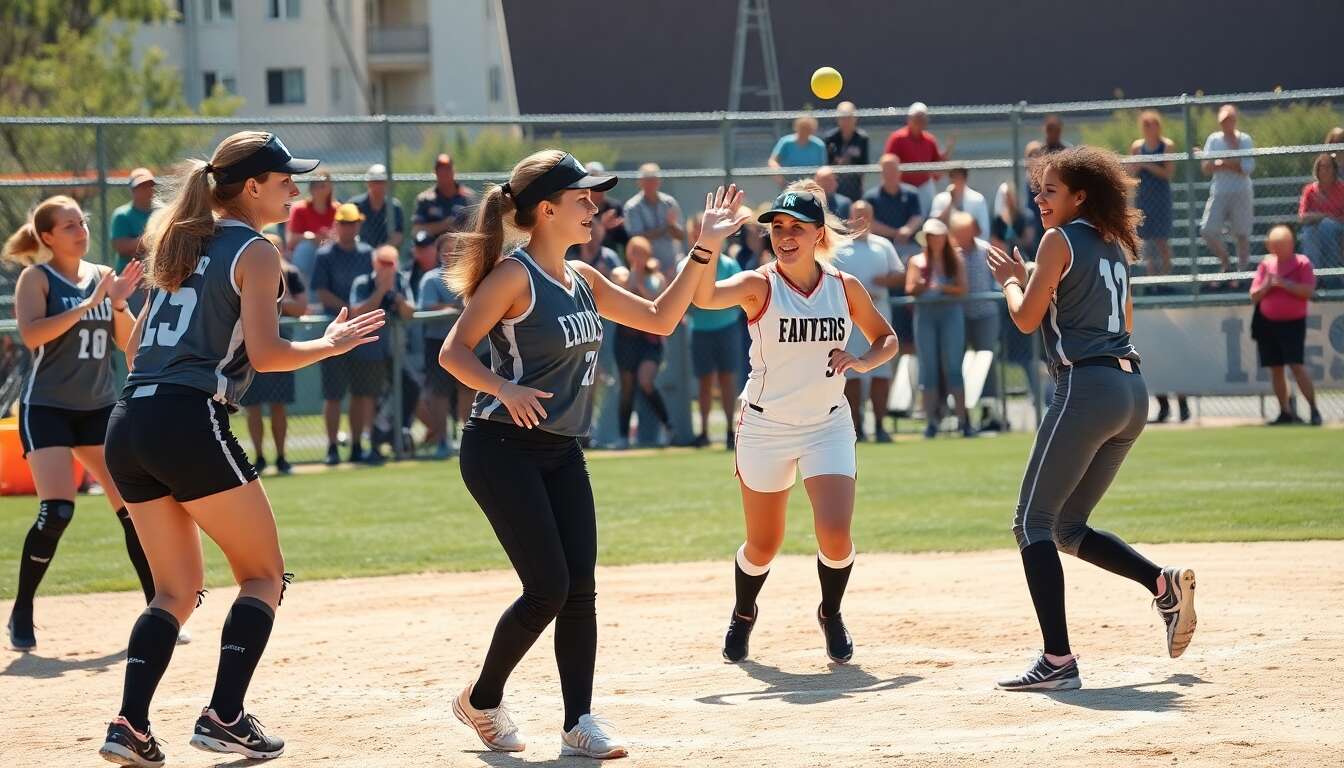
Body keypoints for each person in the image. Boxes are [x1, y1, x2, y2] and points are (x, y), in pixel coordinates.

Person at [439, 149, 742, 758]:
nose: (593, 206)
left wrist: (703, 247)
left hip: (561, 450)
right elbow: (454, 351)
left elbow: (660, 318)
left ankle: (579, 720)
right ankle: (482, 700)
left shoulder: (582, 278)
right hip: (500, 448)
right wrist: (503, 387)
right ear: (546, 210)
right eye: (581, 198)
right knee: (548, 587)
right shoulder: (515, 276)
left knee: (580, 589)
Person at [97, 131, 382, 765]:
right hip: (187, 418)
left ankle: (129, 725)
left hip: (129, 420)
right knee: (262, 575)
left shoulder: (180, 240)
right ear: (251, 187)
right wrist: (330, 345)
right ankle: (225, 714)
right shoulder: (254, 250)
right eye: (285, 181)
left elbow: (135, 350)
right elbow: (268, 354)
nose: (295, 192)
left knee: (174, 591)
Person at [986, 145, 1197, 692]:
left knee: (1031, 524)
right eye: (1039, 189)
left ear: (1080, 196)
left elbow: (1026, 318)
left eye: (1051, 190)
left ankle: (1057, 661)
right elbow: (1120, 318)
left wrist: (1012, 281)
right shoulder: (1112, 244)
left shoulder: (1057, 240)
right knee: (1066, 527)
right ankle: (1162, 584)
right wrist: (1038, 278)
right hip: (1131, 391)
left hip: (1085, 386)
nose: (1040, 198)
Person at [689, 181, 896, 666]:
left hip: (827, 424)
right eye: (777, 227)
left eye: (796, 228)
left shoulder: (844, 287)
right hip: (766, 427)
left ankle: (831, 612)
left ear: (818, 234)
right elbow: (704, 297)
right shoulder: (759, 284)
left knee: (836, 535)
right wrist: (710, 240)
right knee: (764, 545)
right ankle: (744, 612)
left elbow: (886, 338)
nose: (784, 236)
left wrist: (863, 362)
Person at [3, 196, 157, 653]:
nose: (80, 230)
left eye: (82, 222)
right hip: (47, 407)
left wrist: (119, 305)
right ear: (47, 237)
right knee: (58, 511)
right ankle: (22, 609)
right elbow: (33, 335)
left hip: (97, 407)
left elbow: (128, 346)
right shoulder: (36, 278)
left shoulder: (103, 276)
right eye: (69, 225)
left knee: (135, 510)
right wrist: (89, 303)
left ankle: (160, 609)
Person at [311, 202, 377, 464]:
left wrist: (358, 313)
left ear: (359, 224)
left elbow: (373, 287)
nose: (349, 228)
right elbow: (321, 291)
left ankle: (358, 445)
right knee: (334, 394)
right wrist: (349, 311)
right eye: (344, 223)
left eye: (353, 223)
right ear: (337, 225)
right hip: (335, 332)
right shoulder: (325, 255)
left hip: (360, 331)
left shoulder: (368, 253)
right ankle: (332, 447)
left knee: (361, 393)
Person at [832, 200, 902, 441]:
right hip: (849, 321)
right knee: (850, 370)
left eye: (865, 215)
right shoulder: (839, 247)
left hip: (879, 315)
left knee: (880, 370)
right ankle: (856, 427)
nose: (860, 220)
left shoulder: (883, 245)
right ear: (849, 218)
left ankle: (880, 426)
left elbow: (899, 275)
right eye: (856, 215)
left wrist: (885, 281)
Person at [240, 233, 307, 475]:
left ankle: (281, 457)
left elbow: (301, 307)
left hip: (281, 346)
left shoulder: (291, 274)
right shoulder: (248, 271)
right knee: (253, 406)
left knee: (279, 405)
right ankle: (258, 457)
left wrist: (276, 299)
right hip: (252, 347)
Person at [348, 244, 417, 463]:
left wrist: (395, 296)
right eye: (383, 263)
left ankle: (396, 433)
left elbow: (409, 312)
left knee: (411, 387)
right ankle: (370, 445)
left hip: (394, 352)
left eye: (391, 264)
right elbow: (357, 312)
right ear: (374, 264)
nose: (387, 268)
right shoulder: (363, 283)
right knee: (368, 397)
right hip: (369, 349)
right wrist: (380, 291)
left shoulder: (400, 281)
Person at [679, 214, 743, 448]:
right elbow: (682, 301)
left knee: (728, 380)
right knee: (704, 382)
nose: (701, 234)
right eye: (697, 230)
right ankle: (704, 432)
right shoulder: (685, 265)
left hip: (727, 329)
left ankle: (730, 431)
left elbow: (740, 297)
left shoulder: (730, 264)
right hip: (701, 331)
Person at [906, 218, 972, 438]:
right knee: (928, 368)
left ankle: (963, 420)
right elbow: (910, 287)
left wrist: (942, 287)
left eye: (938, 236)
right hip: (925, 315)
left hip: (950, 314)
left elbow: (963, 288)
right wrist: (924, 285)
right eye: (931, 236)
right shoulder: (916, 261)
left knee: (953, 366)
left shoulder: (956, 260)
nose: (935, 240)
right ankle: (931, 422)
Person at [1250, 226, 1321, 426]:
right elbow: (1254, 296)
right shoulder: (1266, 265)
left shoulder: (1302, 263)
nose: (1277, 249)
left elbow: (1308, 291)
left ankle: (1314, 410)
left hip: (1292, 324)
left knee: (1296, 366)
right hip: (1267, 323)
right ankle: (1285, 412)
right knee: (1276, 369)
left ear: (1291, 244)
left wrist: (1285, 284)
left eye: (1282, 245)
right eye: (1274, 245)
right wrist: (1267, 285)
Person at [613, 237, 673, 446]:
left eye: (642, 253)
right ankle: (623, 436)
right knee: (627, 386)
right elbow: (623, 296)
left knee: (646, 381)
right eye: (634, 253)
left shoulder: (657, 278)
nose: (638, 257)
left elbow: (656, 305)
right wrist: (635, 275)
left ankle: (668, 426)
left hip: (649, 339)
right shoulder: (621, 274)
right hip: (626, 338)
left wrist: (640, 284)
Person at [864, 154, 923, 355]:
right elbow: (869, 223)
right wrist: (895, 233)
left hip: (908, 251)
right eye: (886, 170)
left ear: (899, 172)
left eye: (893, 169)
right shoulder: (871, 197)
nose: (890, 174)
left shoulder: (911, 193)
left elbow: (917, 217)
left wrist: (907, 230)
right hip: (882, 253)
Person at [950, 211, 1002, 430]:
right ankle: (959, 412)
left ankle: (989, 411)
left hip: (985, 314)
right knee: (956, 361)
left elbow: (998, 278)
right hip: (959, 316)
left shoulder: (986, 250)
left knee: (986, 360)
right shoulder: (951, 253)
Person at [417, 232, 467, 458]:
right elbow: (426, 306)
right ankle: (442, 441)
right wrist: (451, 309)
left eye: (454, 250)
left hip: (467, 341)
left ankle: (467, 438)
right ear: (438, 254)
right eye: (445, 250)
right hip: (437, 343)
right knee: (439, 393)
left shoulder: (469, 275)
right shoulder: (431, 279)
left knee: (468, 388)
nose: (449, 254)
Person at [1200, 104, 1255, 278]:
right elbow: (1206, 166)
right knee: (1207, 230)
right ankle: (1226, 262)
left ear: (1235, 120)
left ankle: (1242, 274)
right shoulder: (1214, 140)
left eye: (1229, 120)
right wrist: (1231, 162)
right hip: (1219, 191)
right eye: (1223, 121)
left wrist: (1223, 163)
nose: (1226, 124)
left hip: (1241, 191)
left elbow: (1247, 168)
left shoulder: (1244, 140)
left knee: (1241, 234)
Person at [884, 102, 955, 214]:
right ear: (909, 119)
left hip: (924, 185)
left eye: (923, 119)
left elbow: (936, 166)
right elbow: (888, 163)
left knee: (930, 214)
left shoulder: (930, 140)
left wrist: (945, 156)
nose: (920, 122)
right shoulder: (897, 138)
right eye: (917, 118)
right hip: (902, 186)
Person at [1129, 111, 1176, 277]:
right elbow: (1131, 173)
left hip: (1161, 198)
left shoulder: (1166, 145)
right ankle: (1152, 279)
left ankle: (1166, 277)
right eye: (1146, 125)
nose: (1149, 128)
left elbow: (1167, 173)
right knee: (1147, 242)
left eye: (1152, 124)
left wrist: (1147, 163)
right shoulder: (1137, 147)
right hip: (1143, 198)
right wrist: (1137, 165)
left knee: (1161, 241)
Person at [623, 163, 685, 278]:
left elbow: (681, 235)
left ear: (659, 181)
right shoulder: (632, 207)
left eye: (654, 179)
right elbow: (638, 239)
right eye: (647, 180)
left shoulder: (670, 203)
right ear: (640, 182)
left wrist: (672, 226)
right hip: (647, 269)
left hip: (673, 265)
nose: (651, 183)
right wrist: (666, 227)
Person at [1298, 153, 1344, 270]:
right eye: (1322, 167)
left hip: (1338, 226)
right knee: (1309, 232)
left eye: (1329, 167)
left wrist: (1329, 219)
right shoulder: (1310, 190)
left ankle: (1331, 272)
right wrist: (1323, 216)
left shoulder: (1342, 189)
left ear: (1334, 169)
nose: (1325, 170)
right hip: (1315, 226)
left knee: (1326, 226)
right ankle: (1313, 273)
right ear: (1317, 170)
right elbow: (1303, 217)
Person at [413, 153, 475, 238]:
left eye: (447, 169)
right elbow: (416, 231)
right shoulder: (425, 199)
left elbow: (477, 229)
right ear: (435, 172)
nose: (444, 173)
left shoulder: (468, 197)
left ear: (454, 171)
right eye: (440, 170)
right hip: (433, 245)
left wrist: (459, 227)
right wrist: (444, 225)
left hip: (461, 244)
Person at [110, 168, 159, 273]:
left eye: (150, 185)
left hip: (156, 275)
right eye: (142, 186)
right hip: (129, 277)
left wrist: (138, 245)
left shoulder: (162, 213)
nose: (147, 189)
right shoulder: (122, 215)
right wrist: (152, 239)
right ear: (132, 190)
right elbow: (121, 247)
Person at [350, 163, 405, 249]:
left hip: (385, 252)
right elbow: (348, 231)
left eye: (382, 182)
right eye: (375, 181)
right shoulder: (355, 205)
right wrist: (363, 250)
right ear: (368, 183)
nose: (378, 186)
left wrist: (381, 250)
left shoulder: (394, 207)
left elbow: (398, 236)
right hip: (359, 252)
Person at [824, 101, 869, 201]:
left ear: (855, 118)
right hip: (835, 183)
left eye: (849, 117)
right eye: (842, 118)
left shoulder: (862, 138)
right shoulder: (830, 138)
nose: (846, 121)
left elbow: (864, 164)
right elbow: (828, 163)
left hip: (855, 184)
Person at [283, 171, 337, 252]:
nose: (318, 189)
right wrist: (312, 237)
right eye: (315, 185)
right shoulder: (299, 209)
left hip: (330, 251)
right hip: (304, 253)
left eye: (323, 185)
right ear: (311, 188)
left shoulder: (337, 209)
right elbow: (291, 240)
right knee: (306, 246)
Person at [929, 167, 990, 237]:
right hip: (946, 241)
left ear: (965, 178)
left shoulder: (978, 199)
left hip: (971, 241)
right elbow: (934, 225)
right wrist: (951, 201)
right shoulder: (940, 199)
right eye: (954, 177)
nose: (957, 181)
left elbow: (984, 230)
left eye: (960, 177)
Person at [768, 115, 828, 181]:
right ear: (796, 127)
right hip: (788, 182)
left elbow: (823, 168)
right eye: (803, 128)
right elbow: (773, 161)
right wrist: (779, 178)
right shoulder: (786, 142)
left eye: (808, 129)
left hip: (812, 182)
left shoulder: (819, 145)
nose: (805, 131)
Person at [586, 161, 628, 251]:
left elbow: (624, 239)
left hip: (611, 254)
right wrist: (602, 226)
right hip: (585, 255)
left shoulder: (614, 206)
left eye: (601, 181)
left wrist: (624, 226)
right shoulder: (580, 208)